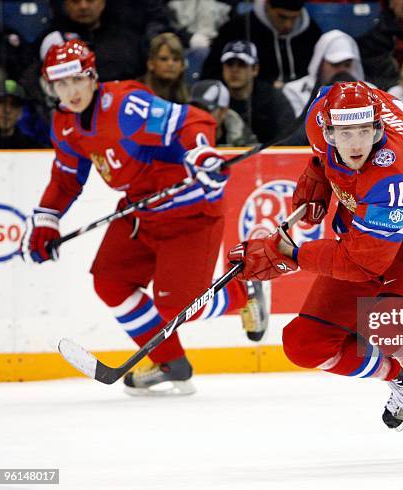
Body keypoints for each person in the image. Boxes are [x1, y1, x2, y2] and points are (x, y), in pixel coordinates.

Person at [226, 81, 403, 469]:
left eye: (365, 132)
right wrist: (314, 186)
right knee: (305, 343)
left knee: (391, 325)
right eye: (345, 133)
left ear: (379, 128)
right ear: (326, 129)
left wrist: (286, 254)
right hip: (367, 233)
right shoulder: (321, 116)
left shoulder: (398, 178)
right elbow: (321, 150)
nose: (356, 143)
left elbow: (364, 263)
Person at [20, 40, 269, 396]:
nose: (69, 92)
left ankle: (242, 292)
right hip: (141, 210)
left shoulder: (125, 106)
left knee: (178, 308)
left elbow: (193, 120)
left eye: (75, 80)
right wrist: (47, 219)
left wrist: (200, 154)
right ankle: (172, 364)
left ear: (92, 76)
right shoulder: (65, 123)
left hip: (189, 212)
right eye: (59, 84)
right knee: (110, 281)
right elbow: (65, 178)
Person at [203, 0, 322, 85]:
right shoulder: (238, 28)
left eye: (294, 18)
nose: (288, 25)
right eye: (282, 17)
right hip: (257, 104)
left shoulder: (311, 31)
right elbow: (211, 74)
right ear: (267, 5)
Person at [220, 40, 296, 143]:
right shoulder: (214, 98)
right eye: (229, 64)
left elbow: (289, 139)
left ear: (255, 69)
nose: (235, 70)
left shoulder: (273, 98)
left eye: (242, 64)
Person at [283, 30, 364, 118]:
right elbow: (298, 129)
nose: (342, 70)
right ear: (320, 63)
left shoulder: (371, 92)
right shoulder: (294, 91)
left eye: (347, 65)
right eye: (335, 64)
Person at [189, 79, 258, 146]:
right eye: (195, 109)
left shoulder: (242, 141)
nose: (199, 115)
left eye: (207, 110)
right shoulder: (181, 136)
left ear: (223, 111)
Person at [139, 33, 189, 104]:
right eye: (164, 59)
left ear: (182, 66)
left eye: (176, 59)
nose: (170, 64)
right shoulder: (135, 93)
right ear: (150, 64)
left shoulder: (188, 99)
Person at [0, 80, 47, 149]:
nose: (7, 110)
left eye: (14, 104)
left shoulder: (33, 149)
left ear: (21, 111)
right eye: (1, 102)